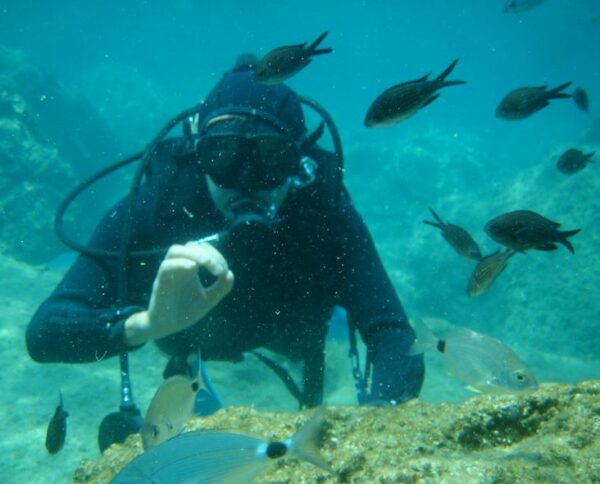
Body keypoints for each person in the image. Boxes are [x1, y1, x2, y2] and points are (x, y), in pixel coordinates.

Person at [26, 55, 424, 411]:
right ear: (198, 156)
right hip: (187, 342)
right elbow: (45, 332)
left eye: (271, 157)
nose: (247, 180)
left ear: (298, 160)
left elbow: (393, 333)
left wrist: (380, 413)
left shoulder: (322, 212)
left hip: (291, 340)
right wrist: (145, 324)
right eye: (223, 155)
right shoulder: (159, 203)